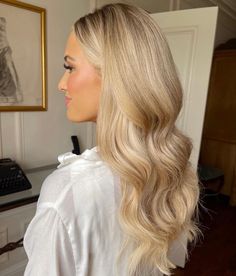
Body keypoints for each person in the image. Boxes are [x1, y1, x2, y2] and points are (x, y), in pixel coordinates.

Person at [23, 3, 202, 276]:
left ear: (115, 77)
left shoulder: (66, 193)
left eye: (69, 68)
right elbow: (169, 263)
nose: (61, 84)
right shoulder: (173, 167)